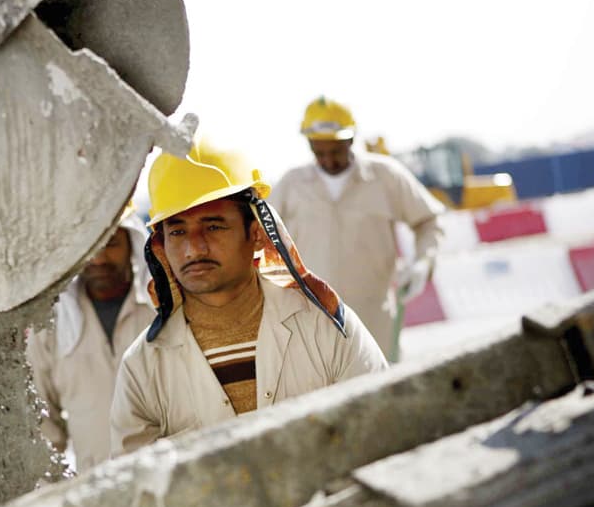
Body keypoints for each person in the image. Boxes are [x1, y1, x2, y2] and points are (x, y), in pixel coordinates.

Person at [109, 139, 387, 456]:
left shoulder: (325, 327)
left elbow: (383, 427)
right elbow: (132, 478)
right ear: (161, 245)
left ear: (255, 234)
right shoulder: (143, 367)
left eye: (213, 226)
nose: (194, 248)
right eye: (177, 231)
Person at [272, 96, 445, 359]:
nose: (328, 160)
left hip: (375, 321)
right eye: (319, 153)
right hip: (313, 324)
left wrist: (423, 262)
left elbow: (429, 221)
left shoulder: (386, 177)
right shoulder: (291, 185)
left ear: (351, 140)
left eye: (335, 151)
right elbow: (263, 239)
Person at [26, 205, 153, 471]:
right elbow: (41, 426)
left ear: (132, 243)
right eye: (90, 245)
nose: (99, 259)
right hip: (97, 485)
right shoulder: (50, 326)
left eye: (111, 243)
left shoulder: (160, 310)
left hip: (168, 479)